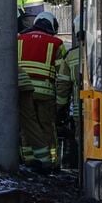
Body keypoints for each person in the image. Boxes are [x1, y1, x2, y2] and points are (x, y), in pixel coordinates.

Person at [18, 11, 66, 172]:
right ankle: (51, 161)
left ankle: (29, 159)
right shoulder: (57, 43)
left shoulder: (19, 40)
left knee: (27, 125)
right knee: (47, 126)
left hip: (23, 91)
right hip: (46, 92)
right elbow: (62, 73)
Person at [55, 18, 83, 170]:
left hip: (80, 113)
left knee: (82, 143)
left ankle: (82, 173)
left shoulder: (71, 56)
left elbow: (63, 88)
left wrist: (59, 108)